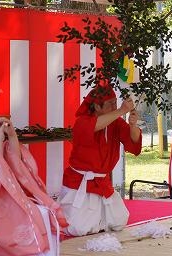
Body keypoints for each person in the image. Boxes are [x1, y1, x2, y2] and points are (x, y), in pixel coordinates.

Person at [0, 91, 68, 255]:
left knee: (41, 212)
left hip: (7, 192)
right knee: (22, 219)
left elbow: (16, 163)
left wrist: (12, 137)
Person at [58, 85, 142, 236]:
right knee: (77, 228)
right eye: (110, 104)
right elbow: (94, 126)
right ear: (97, 106)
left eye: (116, 102)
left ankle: (97, 221)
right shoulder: (82, 122)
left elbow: (134, 143)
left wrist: (133, 125)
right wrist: (121, 111)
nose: (115, 106)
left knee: (119, 221)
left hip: (102, 183)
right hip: (79, 183)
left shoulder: (115, 123)